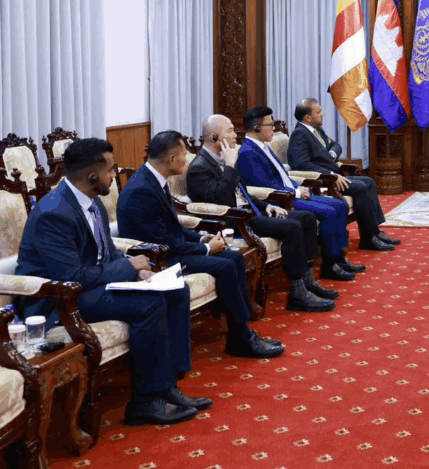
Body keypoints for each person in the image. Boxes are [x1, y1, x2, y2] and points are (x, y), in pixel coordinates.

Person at [16, 138, 208, 426]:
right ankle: (146, 401)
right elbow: (71, 277)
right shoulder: (54, 213)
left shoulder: (92, 201)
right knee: (149, 303)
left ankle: (168, 385)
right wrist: (128, 266)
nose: (114, 175)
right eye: (110, 170)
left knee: (175, 290)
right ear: (93, 176)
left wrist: (136, 272)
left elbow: (106, 251)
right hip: (57, 300)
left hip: (89, 286)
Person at [118, 131, 285, 359]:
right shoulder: (141, 190)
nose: (186, 160)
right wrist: (206, 249)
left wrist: (201, 239)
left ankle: (242, 332)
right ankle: (241, 337)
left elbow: (173, 227)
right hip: (157, 259)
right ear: (171, 159)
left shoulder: (154, 179)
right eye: (184, 155)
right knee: (225, 264)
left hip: (170, 248)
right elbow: (163, 242)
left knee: (235, 256)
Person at [186, 114, 337, 312]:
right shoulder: (199, 168)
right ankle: (297, 293)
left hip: (251, 211)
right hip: (235, 220)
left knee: (306, 218)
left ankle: (308, 281)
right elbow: (221, 199)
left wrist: (266, 206)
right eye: (230, 131)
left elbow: (242, 192)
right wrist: (230, 165)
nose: (236, 135)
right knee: (292, 227)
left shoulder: (227, 156)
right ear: (215, 137)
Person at [236, 107, 369, 281]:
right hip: (281, 201)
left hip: (293, 193)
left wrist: (297, 187)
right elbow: (264, 185)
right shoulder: (247, 152)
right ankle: (329, 265)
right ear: (257, 128)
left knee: (340, 205)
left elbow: (282, 176)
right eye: (270, 125)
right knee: (329, 212)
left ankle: (339, 258)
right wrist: (296, 192)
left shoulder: (262, 147)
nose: (273, 129)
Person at [287, 98, 401, 251]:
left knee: (369, 181)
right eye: (318, 112)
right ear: (308, 117)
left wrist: (332, 154)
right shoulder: (299, 135)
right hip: (322, 182)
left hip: (334, 176)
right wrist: (330, 174)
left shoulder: (316, 130)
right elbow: (302, 165)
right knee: (360, 187)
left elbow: (335, 145)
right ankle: (368, 239)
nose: (322, 114)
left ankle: (375, 232)